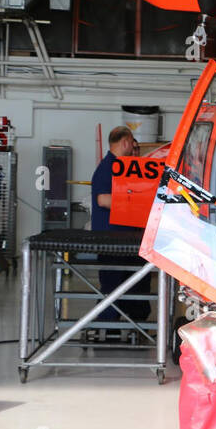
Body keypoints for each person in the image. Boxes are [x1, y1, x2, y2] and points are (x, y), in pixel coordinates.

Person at [90, 126, 149, 325]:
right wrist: (135, 201)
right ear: (125, 142)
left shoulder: (121, 167)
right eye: (131, 143)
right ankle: (107, 325)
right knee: (112, 284)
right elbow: (103, 199)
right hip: (111, 238)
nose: (133, 147)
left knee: (130, 282)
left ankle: (129, 323)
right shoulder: (109, 167)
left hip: (124, 236)